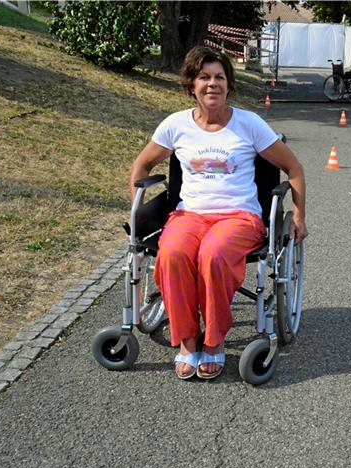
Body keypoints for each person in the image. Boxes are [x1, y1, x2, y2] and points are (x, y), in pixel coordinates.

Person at [129, 46, 307, 380]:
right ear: (191, 85)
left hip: (239, 217)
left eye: (219, 78)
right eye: (205, 77)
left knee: (213, 254)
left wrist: (298, 216)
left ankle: (213, 340)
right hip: (189, 215)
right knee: (172, 253)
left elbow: (292, 167)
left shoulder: (249, 124)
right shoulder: (175, 125)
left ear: (229, 84)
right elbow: (142, 164)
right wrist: (135, 202)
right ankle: (186, 339)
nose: (213, 84)